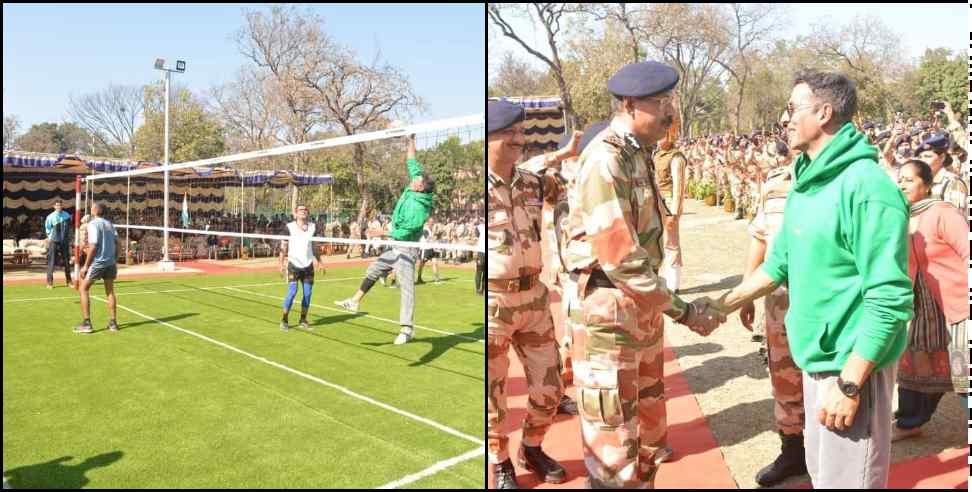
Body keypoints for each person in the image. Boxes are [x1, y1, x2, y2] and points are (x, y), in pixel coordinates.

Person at [716, 70, 914, 488]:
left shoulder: (867, 188)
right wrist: (719, 306)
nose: (784, 120)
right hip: (814, 360)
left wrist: (849, 381)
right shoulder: (805, 183)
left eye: (792, 109)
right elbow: (777, 264)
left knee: (849, 481)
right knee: (825, 477)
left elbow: (890, 298)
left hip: (850, 364)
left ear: (824, 113)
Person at [564, 61, 724, 489]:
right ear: (631, 105)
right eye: (662, 103)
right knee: (614, 454)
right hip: (608, 318)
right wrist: (685, 310)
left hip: (639, 314)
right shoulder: (605, 159)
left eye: (670, 101)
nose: (670, 113)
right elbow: (621, 258)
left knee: (650, 443)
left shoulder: (638, 153)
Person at [486, 99, 568, 489]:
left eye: (521, 132)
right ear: (487, 140)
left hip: (534, 298)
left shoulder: (533, 181)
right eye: (509, 134)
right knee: (492, 396)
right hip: (494, 304)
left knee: (551, 387)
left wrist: (570, 252)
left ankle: (531, 446)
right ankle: (500, 461)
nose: (520, 140)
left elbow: (574, 199)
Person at [737, 134, 807, 486]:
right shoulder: (775, 183)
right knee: (783, 375)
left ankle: (830, 456)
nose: (789, 129)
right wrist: (746, 290)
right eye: (785, 123)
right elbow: (760, 238)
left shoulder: (842, 179)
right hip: (778, 298)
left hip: (822, 298)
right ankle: (793, 451)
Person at [891, 159, 969, 441]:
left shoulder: (943, 213)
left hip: (957, 305)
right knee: (911, 364)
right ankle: (909, 422)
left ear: (926, 184)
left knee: (964, 371)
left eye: (909, 180)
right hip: (921, 310)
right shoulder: (900, 218)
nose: (902, 184)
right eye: (900, 179)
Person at [335, 134, 434, 345]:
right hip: (395, 246)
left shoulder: (420, 207)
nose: (413, 178)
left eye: (417, 179)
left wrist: (380, 233)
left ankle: (407, 329)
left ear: (421, 187)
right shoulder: (415, 185)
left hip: (406, 249)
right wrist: (411, 139)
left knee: (406, 289)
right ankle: (354, 302)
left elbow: (408, 231)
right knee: (373, 269)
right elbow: (411, 160)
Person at [653, 108, 687, 293]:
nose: (659, 138)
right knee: (658, 243)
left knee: (672, 244)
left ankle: (674, 283)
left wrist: (675, 212)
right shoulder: (655, 154)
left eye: (663, 134)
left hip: (669, 203)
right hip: (656, 202)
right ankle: (664, 278)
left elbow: (679, 188)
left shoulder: (676, 157)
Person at [278, 204, 325, 332]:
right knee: (292, 292)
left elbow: (315, 246)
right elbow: (283, 247)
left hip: (308, 266)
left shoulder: (312, 227)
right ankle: (284, 320)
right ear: (295, 213)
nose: (303, 212)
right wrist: (281, 264)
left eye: (305, 210)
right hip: (293, 265)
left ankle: (303, 319)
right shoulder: (289, 227)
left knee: (308, 294)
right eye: (300, 210)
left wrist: (320, 261)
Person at [75, 203, 120, 334]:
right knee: (110, 291)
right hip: (110, 263)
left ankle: (87, 323)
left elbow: (93, 246)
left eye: (92, 208)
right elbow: (119, 243)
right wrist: (115, 259)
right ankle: (113, 323)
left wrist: (85, 266)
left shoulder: (93, 224)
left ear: (95, 211)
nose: (90, 209)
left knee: (83, 288)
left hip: (99, 263)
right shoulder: (110, 224)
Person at [914, 133, 968, 216]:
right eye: (920, 157)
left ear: (942, 157)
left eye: (927, 156)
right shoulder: (924, 182)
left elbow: (955, 218)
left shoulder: (952, 182)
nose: (923, 161)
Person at [44, 198, 73, 289]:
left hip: (64, 241)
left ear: (62, 206)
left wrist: (70, 238)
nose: (59, 207)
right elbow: (48, 228)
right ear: (54, 206)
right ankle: (49, 282)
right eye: (57, 205)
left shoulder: (67, 215)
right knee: (51, 261)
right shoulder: (50, 217)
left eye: (60, 205)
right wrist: (50, 237)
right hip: (54, 241)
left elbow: (70, 228)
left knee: (66, 262)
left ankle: (69, 281)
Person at [415, 216, 440, 284]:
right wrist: (434, 237)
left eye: (433, 222)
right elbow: (428, 239)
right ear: (428, 222)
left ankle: (436, 278)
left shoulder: (432, 229)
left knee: (435, 263)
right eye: (431, 222)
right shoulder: (425, 229)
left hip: (431, 248)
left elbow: (433, 239)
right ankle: (419, 278)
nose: (432, 223)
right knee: (421, 264)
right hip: (425, 249)